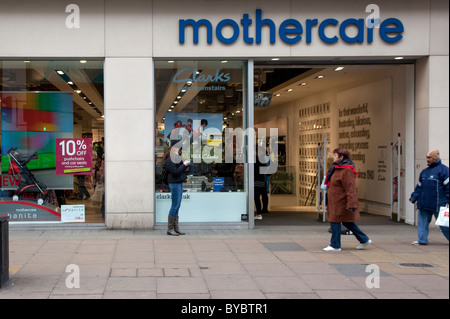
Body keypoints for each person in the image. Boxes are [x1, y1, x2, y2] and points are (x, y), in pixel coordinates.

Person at [323, 148, 371, 251]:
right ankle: (364, 239)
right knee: (347, 222)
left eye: (335, 156)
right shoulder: (336, 168)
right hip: (335, 201)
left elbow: (350, 188)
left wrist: (352, 204)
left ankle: (335, 245)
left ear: (341, 157)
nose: (333, 157)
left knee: (334, 220)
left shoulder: (347, 170)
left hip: (340, 202)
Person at [409, 149, 449, 245]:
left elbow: (448, 186)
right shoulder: (424, 172)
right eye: (427, 157)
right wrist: (414, 197)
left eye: (429, 157)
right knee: (422, 223)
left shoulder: (444, 170)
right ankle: (422, 240)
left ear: (435, 158)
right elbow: (419, 186)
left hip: (439, 203)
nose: (427, 159)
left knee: (444, 224)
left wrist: (448, 199)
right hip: (424, 202)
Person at [165, 141, 190, 236]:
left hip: (178, 183)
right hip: (174, 183)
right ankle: (170, 229)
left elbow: (180, 170)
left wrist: (185, 163)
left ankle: (175, 228)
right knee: (175, 205)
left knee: (177, 205)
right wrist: (184, 164)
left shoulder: (176, 158)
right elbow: (175, 172)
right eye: (179, 148)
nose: (180, 150)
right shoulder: (170, 158)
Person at [254, 144, 269, 220]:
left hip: (256, 180)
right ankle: (263, 210)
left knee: (256, 197)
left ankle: (259, 212)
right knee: (263, 195)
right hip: (262, 180)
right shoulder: (263, 160)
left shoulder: (256, 159)